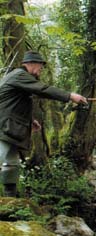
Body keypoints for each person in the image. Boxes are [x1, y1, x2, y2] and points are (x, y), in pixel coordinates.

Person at [0, 50, 87, 197]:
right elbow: (43, 89)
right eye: (41, 66)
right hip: (3, 127)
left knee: (12, 163)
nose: (41, 69)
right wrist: (70, 96)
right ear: (32, 64)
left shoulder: (19, 78)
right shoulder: (20, 75)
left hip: (10, 127)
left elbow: (12, 105)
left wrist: (30, 121)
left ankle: (10, 198)